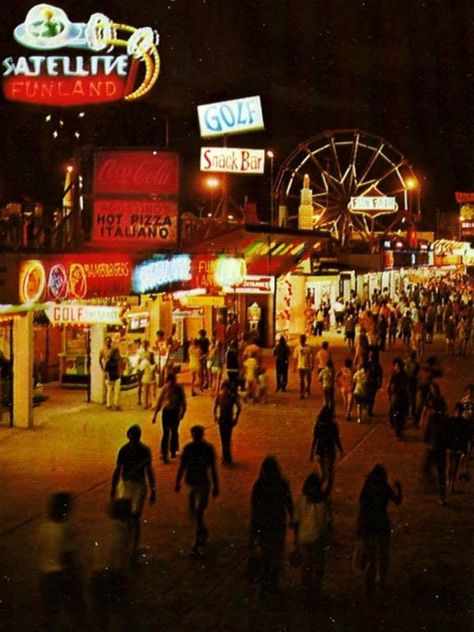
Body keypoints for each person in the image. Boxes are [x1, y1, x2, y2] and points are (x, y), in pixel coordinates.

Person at [37, 492, 86, 631]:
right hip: (61, 574)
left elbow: (40, 550)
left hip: (46, 573)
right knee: (76, 610)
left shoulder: (43, 527)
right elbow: (67, 556)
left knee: (49, 612)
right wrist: (76, 574)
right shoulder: (65, 529)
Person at [356, 465, 402, 601]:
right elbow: (398, 501)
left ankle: (368, 588)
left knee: (371, 559)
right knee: (383, 556)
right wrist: (399, 488)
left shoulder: (367, 489)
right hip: (381, 526)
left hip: (370, 527)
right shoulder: (385, 488)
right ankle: (380, 580)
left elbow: (362, 511)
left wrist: (359, 529)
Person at [250, 456, 293, 597]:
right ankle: (273, 583)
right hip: (278, 523)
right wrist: (293, 518)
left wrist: (252, 532)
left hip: (263, 524)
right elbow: (289, 503)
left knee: (265, 555)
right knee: (276, 554)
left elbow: (254, 509)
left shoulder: (258, 485)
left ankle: (265, 584)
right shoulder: (282, 484)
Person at [111, 425, 156, 555]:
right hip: (127, 484)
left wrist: (153, 490)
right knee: (128, 518)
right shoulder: (126, 450)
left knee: (134, 517)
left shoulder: (140, 450)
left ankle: (133, 546)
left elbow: (149, 471)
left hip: (137, 485)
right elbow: (118, 469)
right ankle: (130, 544)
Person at [175, 425, 219, 556]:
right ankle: (202, 532)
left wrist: (178, 482)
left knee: (198, 511)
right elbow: (183, 466)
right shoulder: (205, 449)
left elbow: (183, 467)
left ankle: (197, 540)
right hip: (196, 482)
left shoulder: (192, 448)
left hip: (199, 483)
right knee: (196, 511)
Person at [90, 499, 133, 630]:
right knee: (119, 613)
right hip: (112, 575)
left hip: (97, 573)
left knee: (101, 613)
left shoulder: (103, 527)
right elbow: (118, 557)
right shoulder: (121, 531)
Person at [292, 473, 330, 606]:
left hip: (304, 538)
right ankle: (315, 592)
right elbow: (327, 523)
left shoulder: (302, 500)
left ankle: (307, 593)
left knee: (307, 567)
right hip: (318, 538)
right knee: (318, 566)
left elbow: (296, 522)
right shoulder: (323, 502)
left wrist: (295, 541)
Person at [152, 371, 187, 463]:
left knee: (174, 432)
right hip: (166, 412)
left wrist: (183, 412)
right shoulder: (165, 388)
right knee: (166, 433)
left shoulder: (179, 388)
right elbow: (160, 401)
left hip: (175, 412)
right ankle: (164, 454)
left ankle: (173, 450)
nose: (169, 384)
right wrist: (155, 415)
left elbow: (183, 401)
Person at [309, 405, 344, 495]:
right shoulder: (332, 425)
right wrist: (341, 450)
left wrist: (311, 453)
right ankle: (325, 492)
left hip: (319, 450)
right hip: (329, 450)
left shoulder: (318, 425)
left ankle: (316, 490)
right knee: (330, 473)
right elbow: (336, 439)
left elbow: (314, 439)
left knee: (322, 473)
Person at [423, 397, 450, 504]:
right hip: (440, 449)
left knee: (429, 468)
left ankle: (435, 489)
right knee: (440, 472)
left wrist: (427, 440)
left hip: (434, 448)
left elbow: (428, 434)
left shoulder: (433, 418)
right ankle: (441, 494)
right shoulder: (445, 418)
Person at [214, 380, 241, 465]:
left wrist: (236, 418)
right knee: (223, 440)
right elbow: (215, 408)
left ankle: (227, 457)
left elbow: (239, 407)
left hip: (228, 420)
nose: (225, 390)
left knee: (227, 439)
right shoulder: (220, 397)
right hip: (222, 420)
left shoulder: (231, 397)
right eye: (224, 388)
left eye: (226, 388)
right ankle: (225, 457)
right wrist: (215, 416)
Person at [387, 358, 409, 440]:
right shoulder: (405, 376)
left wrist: (389, 395)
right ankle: (399, 430)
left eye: (395, 365)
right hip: (401, 398)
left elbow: (389, 386)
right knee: (400, 415)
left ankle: (397, 430)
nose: (394, 367)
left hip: (397, 398)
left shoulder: (395, 376)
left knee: (396, 414)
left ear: (398, 366)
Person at [100, 337, 122, 411]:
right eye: (107, 341)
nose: (108, 343)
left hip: (114, 373)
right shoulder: (103, 350)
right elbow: (100, 360)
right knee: (109, 390)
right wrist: (103, 370)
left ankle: (115, 404)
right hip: (109, 373)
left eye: (109, 341)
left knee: (115, 390)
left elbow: (119, 361)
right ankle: (109, 404)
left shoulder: (114, 351)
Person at [294, 334, 314, 399]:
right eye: (300, 340)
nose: (301, 341)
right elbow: (295, 358)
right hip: (300, 366)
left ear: (305, 340)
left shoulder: (309, 348)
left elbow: (312, 357)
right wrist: (294, 367)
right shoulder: (297, 348)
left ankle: (307, 389)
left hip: (307, 366)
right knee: (301, 381)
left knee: (308, 380)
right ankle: (302, 394)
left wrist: (312, 365)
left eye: (302, 340)